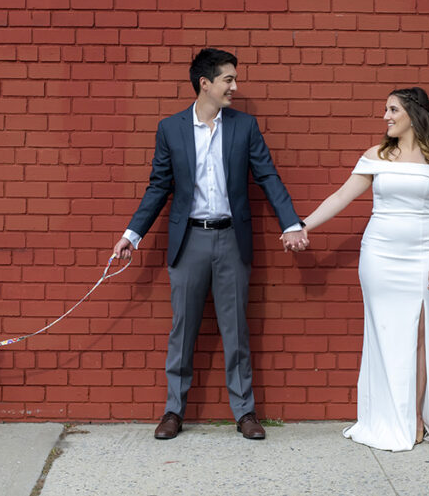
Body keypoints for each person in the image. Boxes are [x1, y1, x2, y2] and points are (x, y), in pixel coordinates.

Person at [112, 48, 309, 441]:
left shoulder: (245, 127)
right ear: (206, 83)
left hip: (232, 240)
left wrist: (291, 223)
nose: (235, 87)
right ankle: (173, 411)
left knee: (236, 328)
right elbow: (159, 186)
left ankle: (245, 411)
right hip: (189, 241)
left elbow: (268, 176)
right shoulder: (171, 129)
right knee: (182, 329)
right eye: (228, 80)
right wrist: (132, 235)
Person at [300, 87, 429, 451]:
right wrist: (303, 225)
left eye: (392, 109)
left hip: (421, 254)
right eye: (386, 110)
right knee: (384, 333)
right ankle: (386, 416)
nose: (385, 116)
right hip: (379, 256)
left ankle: (415, 417)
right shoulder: (377, 156)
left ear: (414, 114)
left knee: (420, 335)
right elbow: (341, 196)